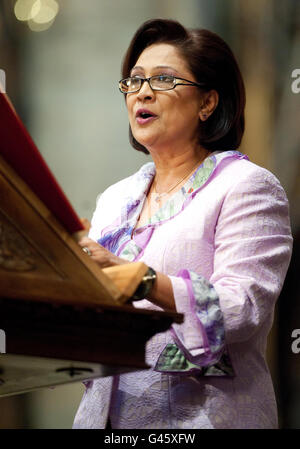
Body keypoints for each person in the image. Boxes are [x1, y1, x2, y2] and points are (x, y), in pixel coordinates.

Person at [72, 18, 293, 429]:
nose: (143, 91)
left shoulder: (246, 186)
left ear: (207, 103)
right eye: (134, 80)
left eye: (164, 80)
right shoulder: (115, 199)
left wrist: (142, 279)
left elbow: (242, 307)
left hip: (202, 419)